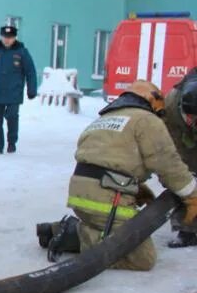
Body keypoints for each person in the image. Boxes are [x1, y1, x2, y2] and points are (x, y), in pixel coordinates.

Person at [38, 81, 197, 270]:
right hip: (106, 199)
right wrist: (192, 196)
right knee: (142, 258)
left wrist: (133, 186)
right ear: (153, 102)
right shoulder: (147, 120)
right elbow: (169, 165)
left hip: (80, 194)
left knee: (110, 227)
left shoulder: (105, 119)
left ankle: (59, 230)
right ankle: (74, 233)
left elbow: (106, 159)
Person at [0, 24, 38, 154]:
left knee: (12, 116)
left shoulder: (22, 52)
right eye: (5, 37)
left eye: (10, 37)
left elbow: (30, 71)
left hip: (14, 92)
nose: (7, 40)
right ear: (1, 37)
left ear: (15, 37)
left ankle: (12, 142)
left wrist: (31, 90)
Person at [161, 70, 197, 247]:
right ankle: (186, 230)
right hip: (179, 136)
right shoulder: (170, 104)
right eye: (192, 118)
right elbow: (169, 146)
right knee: (184, 179)